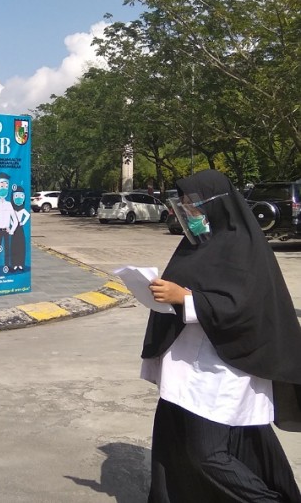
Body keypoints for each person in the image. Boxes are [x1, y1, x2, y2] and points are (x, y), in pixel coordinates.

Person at [142, 169, 301, 502]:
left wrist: (182, 298)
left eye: (193, 205)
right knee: (174, 441)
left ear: (217, 205)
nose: (187, 213)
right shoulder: (194, 246)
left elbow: (243, 308)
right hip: (185, 364)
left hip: (224, 367)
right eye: (183, 204)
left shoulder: (244, 248)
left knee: (207, 455)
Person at [9, 185, 30, 271]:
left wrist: (22, 222)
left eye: (21, 196)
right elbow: (9, 217)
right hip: (14, 230)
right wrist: (12, 223)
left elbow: (27, 215)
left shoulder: (22, 210)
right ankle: (14, 264)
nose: (18, 198)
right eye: (16, 196)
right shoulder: (12, 209)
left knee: (21, 246)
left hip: (20, 230)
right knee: (14, 246)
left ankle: (20, 264)